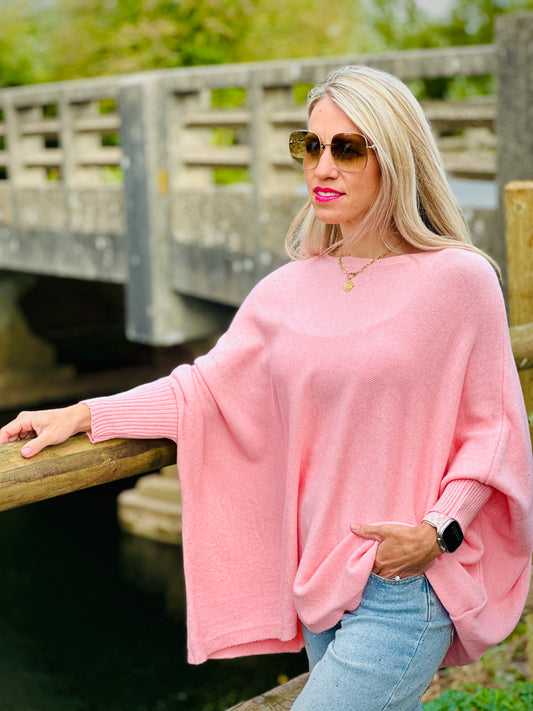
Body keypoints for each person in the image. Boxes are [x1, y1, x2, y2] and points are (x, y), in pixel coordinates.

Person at [1, 65, 532, 711]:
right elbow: (203, 390)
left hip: (407, 584)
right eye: (310, 145)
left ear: (397, 157)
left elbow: (492, 428)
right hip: (319, 584)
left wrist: (437, 531)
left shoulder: (458, 279)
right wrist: (86, 412)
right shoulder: (284, 290)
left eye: (347, 148)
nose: (322, 166)